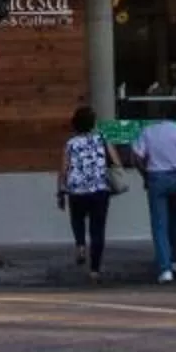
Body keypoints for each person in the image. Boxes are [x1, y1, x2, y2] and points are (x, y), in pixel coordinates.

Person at [130, 110, 176, 282]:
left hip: (156, 177)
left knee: (159, 224)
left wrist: (145, 175)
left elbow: (136, 157)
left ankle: (165, 268)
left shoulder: (149, 132)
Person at [57, 102, 114, 279]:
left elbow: (64, 169)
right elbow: (116, 161)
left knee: (77, 219)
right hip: (99, 188)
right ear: (93, 123)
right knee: (98, 229)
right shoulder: (102, 139)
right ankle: (95, 270)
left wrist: (60, 191)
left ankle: (80, 245)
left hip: (77, 189)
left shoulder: (71, 144)